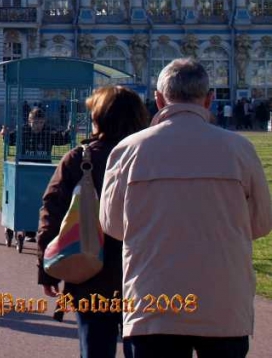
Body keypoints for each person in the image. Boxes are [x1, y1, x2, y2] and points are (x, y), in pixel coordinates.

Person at [101, 59, 272, 358]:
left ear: (158, 99)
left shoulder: (128, 150)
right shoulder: (239, 149)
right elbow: (261, 223)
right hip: (224, 300)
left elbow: (112, 225)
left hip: (153, 301)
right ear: (209, 99)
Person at [37, 86, 150, 358]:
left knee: (95, 348)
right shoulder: (152, 155)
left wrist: (47, 270)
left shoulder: (80, 158)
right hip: (144, 272)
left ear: (98, 118)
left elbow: (52, 213)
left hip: (90, 268)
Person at [2, 107, 68, 162]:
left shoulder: (48, 131)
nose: (38, 125)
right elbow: (9, 140)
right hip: (24, 166)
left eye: (41, 122)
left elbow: (62, 138)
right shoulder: (22, 131)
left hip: (43, 166)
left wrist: (71, 132)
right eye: (35, 122)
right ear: (29, 121)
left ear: (44, 121)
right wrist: (5, 134)